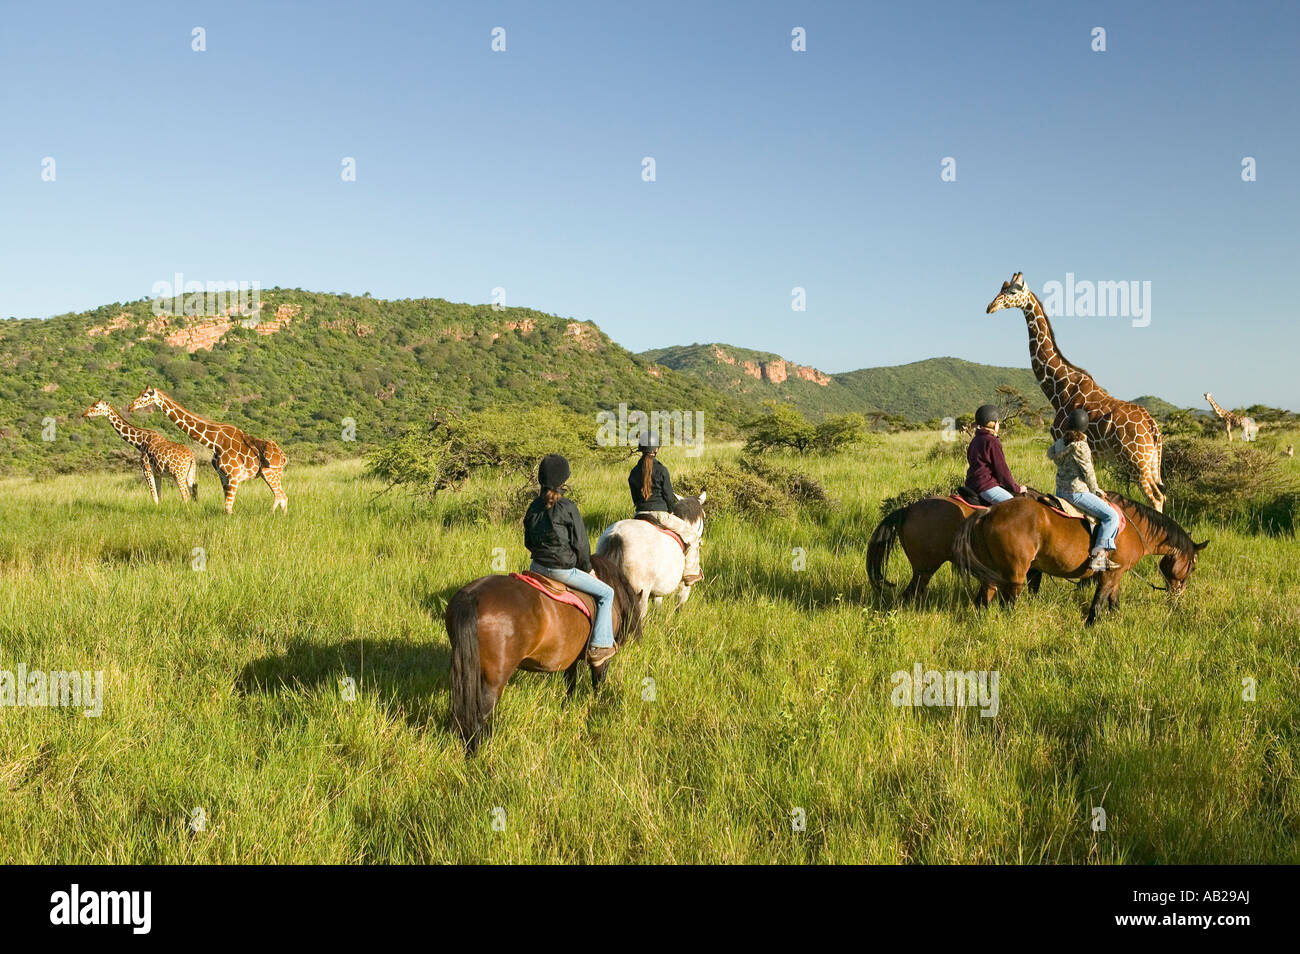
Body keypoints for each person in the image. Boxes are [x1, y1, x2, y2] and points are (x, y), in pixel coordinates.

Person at [523, 453, 618, 665]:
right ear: (563, 481)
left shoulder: (532, 507)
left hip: (536, 567)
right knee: (606, 593)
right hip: (562, 571)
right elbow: (582, 546)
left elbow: (528, 542)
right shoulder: (567, 507)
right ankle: (600, 645)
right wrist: (587, 569)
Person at [1048, 409, 1122, 572]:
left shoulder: (1060, 443)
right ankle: (1099, 557)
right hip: (1077, 493)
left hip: (1060, 492)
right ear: (1085, 426)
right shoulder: (1081, 446)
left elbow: (1051, 454)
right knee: (1111, 516)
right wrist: (1096, 491)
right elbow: (1088, 472)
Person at [628, 433, 702, 584]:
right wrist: (671, 511)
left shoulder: (633, 472)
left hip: (639, 514)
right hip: (660, 515)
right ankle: (690, 574)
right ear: (656, 449)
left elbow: (635, 498)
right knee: (692, 537)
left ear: (641, 449)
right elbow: (669, 496)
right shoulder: (662, 470)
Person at [965, 405, 1027, 505]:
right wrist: (1016, 488)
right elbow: (1002, 470)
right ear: (993, 424)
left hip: (971, 484)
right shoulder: (992, 441)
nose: (998, 424)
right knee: (1014, 505)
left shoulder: (975, 440)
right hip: (985, 486)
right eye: (998, 422)